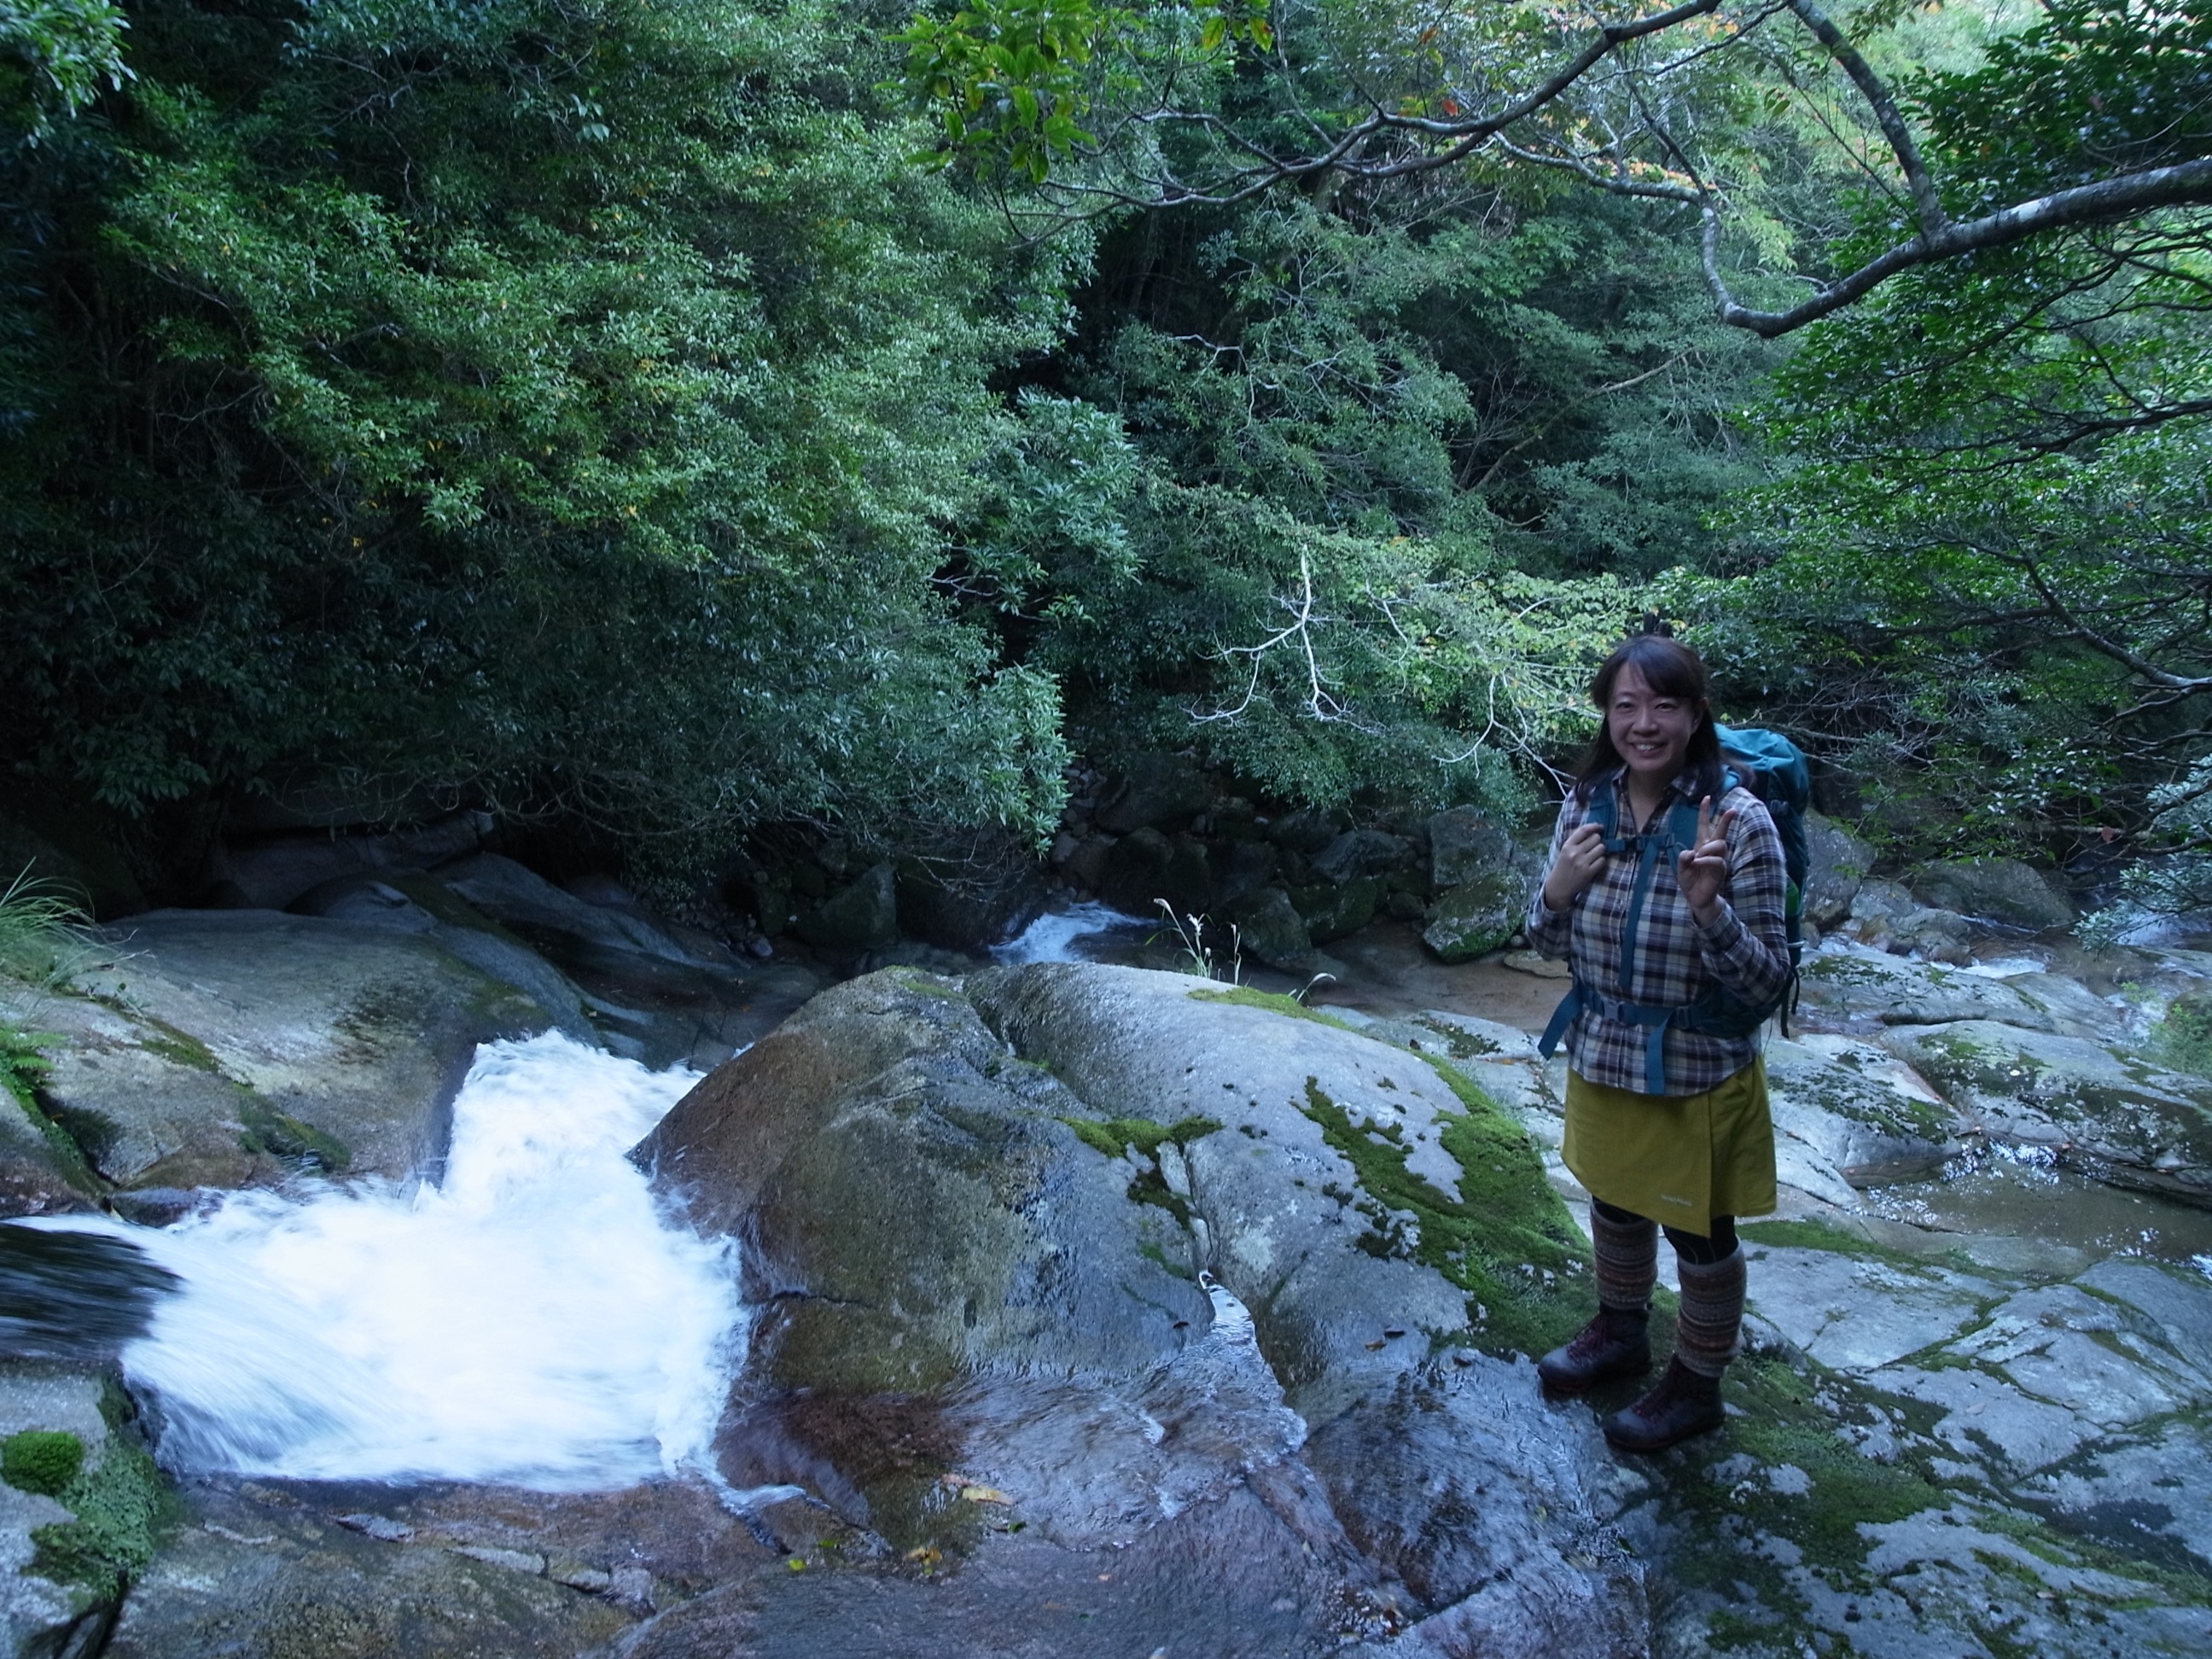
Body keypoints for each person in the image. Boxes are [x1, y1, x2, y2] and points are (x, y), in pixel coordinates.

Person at [1524, 627, 1790, 1452]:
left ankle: (1698, 1382)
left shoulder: (1739, 822)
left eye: (1663, 705)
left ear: (1695, 715)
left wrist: (1710, 909)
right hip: (1603, 1049)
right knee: (1613, 1196)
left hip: (1697, 1066)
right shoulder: (1586, 804)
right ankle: (1621, 1329)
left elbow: (1766, 983)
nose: (1643, 723)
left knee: (1700, 1232)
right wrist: (1558, 892)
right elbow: (1543, 943)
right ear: (1606, 715)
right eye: (1625, 705)